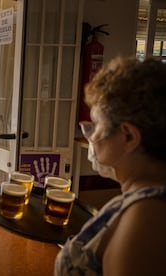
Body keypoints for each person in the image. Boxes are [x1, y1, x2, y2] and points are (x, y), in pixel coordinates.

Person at [55, 57, 166, 275]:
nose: (91, 135)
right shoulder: (143, 198)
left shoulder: (147, 220)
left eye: (97, 124)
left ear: (128, 136)